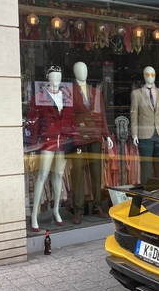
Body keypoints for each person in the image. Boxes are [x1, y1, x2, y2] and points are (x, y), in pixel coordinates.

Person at [25, 66, 80, 232]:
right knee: (42, 175)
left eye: (59, 75)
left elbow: (72, 121)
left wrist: (76, 142)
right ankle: (34, 215)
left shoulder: (67, 96)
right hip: (48, 141)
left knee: (59, 176)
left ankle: (56, 210)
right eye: (53, 75)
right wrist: (31, 141)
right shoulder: (39, 97)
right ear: (48, 77)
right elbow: (33, 119)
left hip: (63, 141)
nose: (56, 78)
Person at [71, 62, 114, 224]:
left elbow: (101, 114)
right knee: (78, 174)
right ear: (74, 72)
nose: (82, 72)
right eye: (79, 69)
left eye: (85, 69)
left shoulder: (96, 92)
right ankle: (78, 209)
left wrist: (107, 135)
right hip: (78, 137)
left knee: (96, 172)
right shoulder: (70, 91)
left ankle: (97, 205)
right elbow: (69, 115)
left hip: (95, 135)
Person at [130, 66, 159, 185]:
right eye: (148, 74)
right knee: (146, 163)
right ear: (144, 75)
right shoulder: (136, 94)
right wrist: (134, 133)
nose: (150, 77)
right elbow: (134, 115)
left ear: (155, 75)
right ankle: (146, 190)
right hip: (145, 133)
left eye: (152, 74)